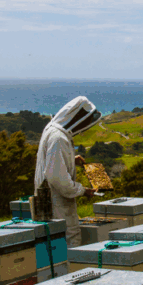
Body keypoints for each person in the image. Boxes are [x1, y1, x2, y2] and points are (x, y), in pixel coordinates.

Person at [33, 96, 101, 250]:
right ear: (77, 118)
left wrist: (71, 159)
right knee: (69, 242)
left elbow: (51, 161)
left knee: (54, 245)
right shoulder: (59, 138)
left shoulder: (51, 130)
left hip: (48, 200)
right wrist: (82, 190)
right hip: (57, 204)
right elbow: (57, 177)